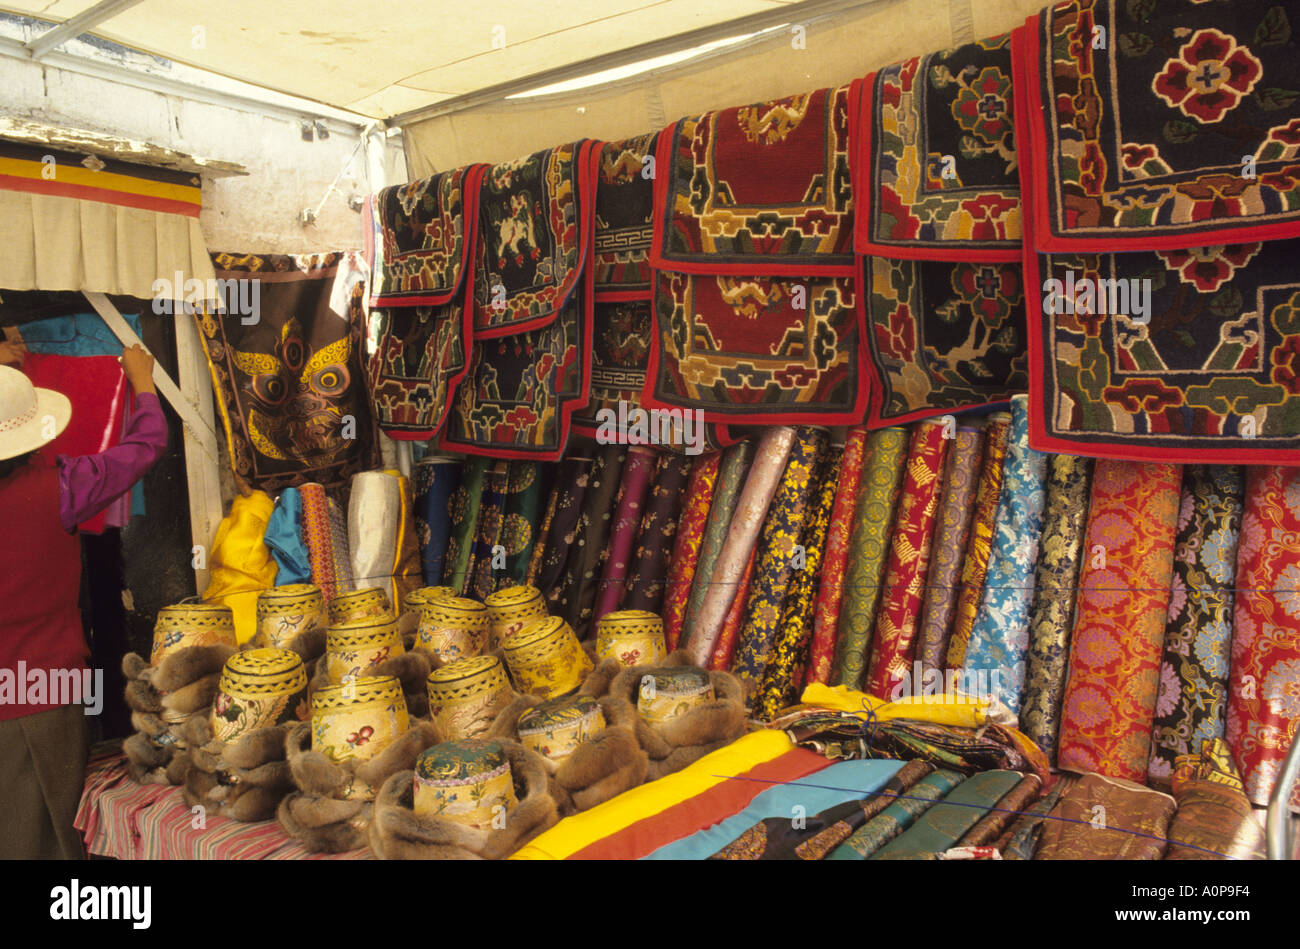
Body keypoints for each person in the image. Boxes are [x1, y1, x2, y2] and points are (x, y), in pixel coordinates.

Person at [0, 340, 168, 859]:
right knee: (52, 831)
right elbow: (147, 445)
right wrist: (141, 381)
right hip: (47, 685)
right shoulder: (64, 486)